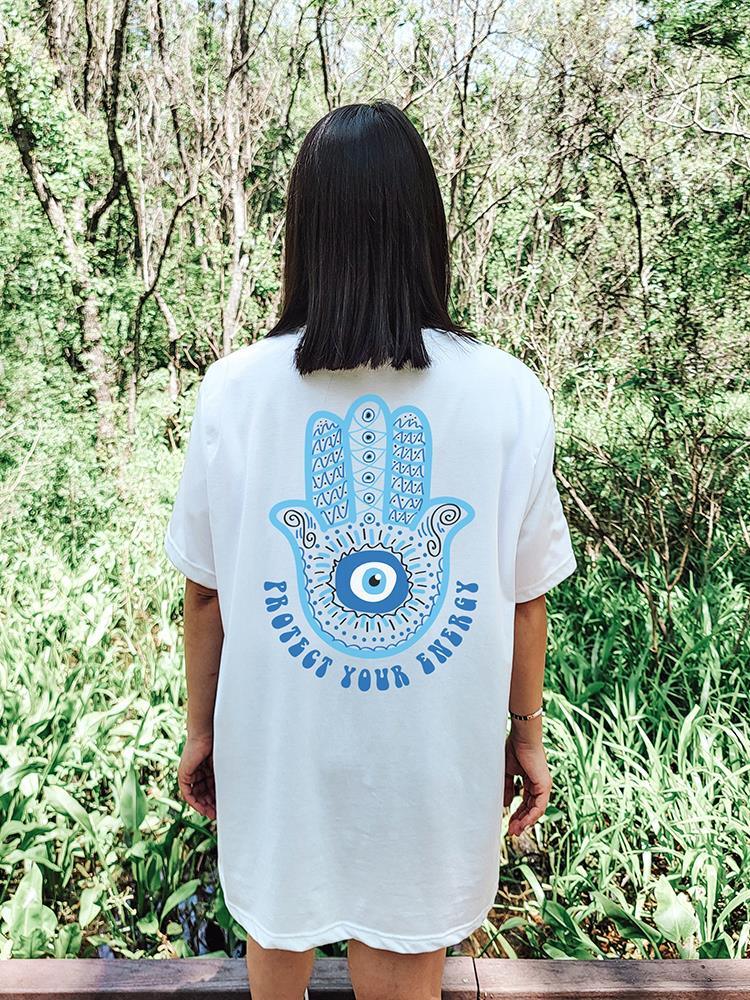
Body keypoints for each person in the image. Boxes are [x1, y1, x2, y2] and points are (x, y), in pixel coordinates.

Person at [164, 100, 577, 1000]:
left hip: (277, 749)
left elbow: (206, 595)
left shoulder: (233, 391)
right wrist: (526, 735)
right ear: (424, 231)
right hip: (431, 763)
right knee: (406, 960)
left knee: (276, 938)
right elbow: (524, 598)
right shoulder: (508, 393)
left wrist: (202, 732)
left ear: (304, 234)